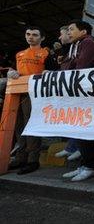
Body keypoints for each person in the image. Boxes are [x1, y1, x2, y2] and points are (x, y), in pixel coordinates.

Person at [7, 26, 57, 175]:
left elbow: (52, 72)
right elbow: (11, 70)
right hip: (17, 93)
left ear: (42, 38)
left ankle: (32, 160)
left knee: (32, 125)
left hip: (35, 94)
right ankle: (20, 157)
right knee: (19, 126)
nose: (30, 37)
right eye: (28, 34)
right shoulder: (19, 54)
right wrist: (12, 72)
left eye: (35, 35)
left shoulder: (46, 54)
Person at [61, 20, 94, 182]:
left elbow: (80, 67)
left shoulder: (89, 43)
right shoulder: (74, 46)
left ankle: (92, 166)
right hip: (78, 93)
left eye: (71, 29)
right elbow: (65, 67)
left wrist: (69, 65)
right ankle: (85, 164)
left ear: (83, 31)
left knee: (84, 129)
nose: (68, 32)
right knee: (78, 129)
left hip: (87, 94)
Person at [54, 26, 81, 161]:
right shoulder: (69, 48)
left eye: (62, 34)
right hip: (69, 87)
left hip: (78, 87)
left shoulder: (84, 44)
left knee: (80, 117)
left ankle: (78, 148)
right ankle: (73, 147)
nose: (60, 37)